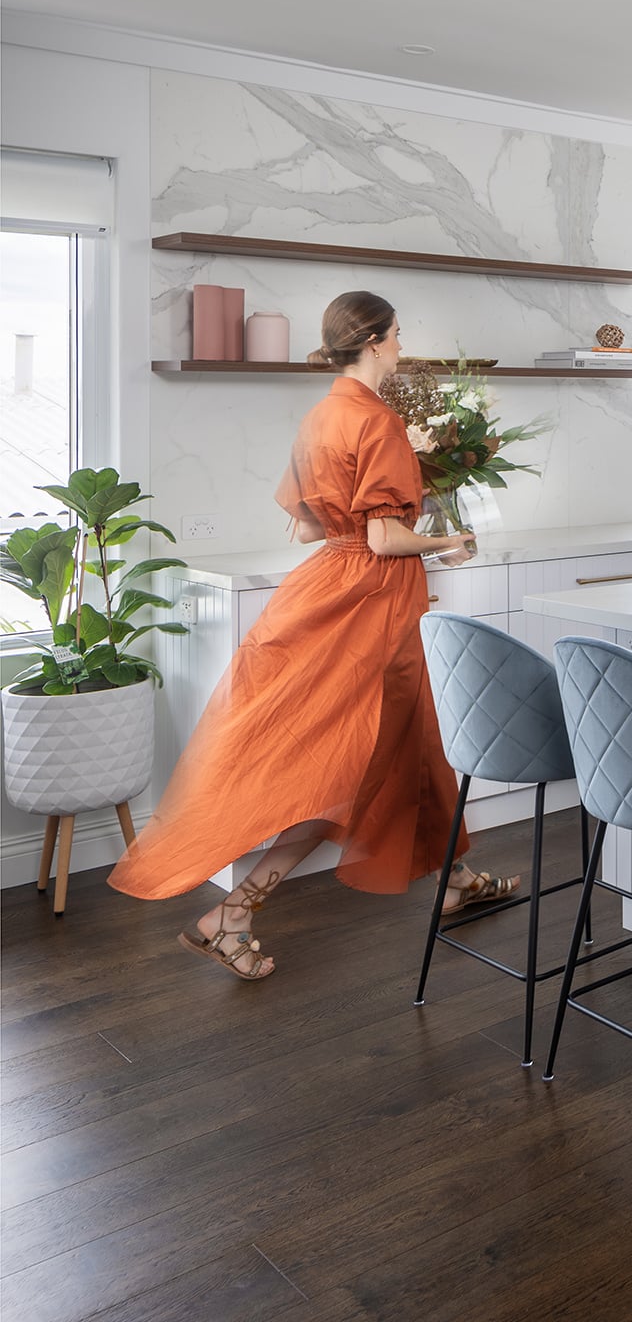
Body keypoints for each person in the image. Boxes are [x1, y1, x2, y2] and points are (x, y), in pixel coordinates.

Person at [110, 291, 514, 979]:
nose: (400, 345)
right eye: (398, 334)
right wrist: (449, 539)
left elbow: (304, 528)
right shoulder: (378, 421)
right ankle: (233, 911)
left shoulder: (322, 416)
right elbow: (386, 541)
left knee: (407, 745)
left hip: (324, 589)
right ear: (381, 340)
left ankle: (457, 878)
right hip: (374, 605)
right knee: (351, 764)